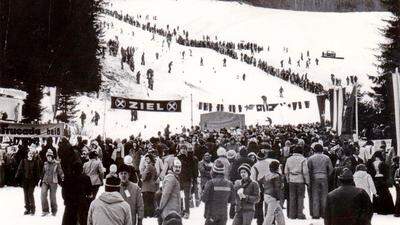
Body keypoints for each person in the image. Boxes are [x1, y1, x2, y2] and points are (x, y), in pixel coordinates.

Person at [202, 159, 234, 225]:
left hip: (211, 214)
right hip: (223, 215)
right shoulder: (230, 184)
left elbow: (204, 199)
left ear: (214, 171)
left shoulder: (210, 183)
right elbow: (232, 200)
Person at [307, 143, 333, 219]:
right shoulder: (327, 158)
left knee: (315, 195)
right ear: (322, 150)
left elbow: (308, 169)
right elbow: (331, 169)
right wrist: (327, 175)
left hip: (314, 178)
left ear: (314, 150)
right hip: (324, 177)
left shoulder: (311, 158)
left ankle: (316, 214)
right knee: (324, 196)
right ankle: (324, 213)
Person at [284, 146, 309, 219]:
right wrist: (307, 181)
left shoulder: (289, 159)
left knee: (292, 197)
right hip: (300, 179)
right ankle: (300, 214)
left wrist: (288, 179)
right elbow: (305, 172)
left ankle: (292, 214)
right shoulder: (303, 159)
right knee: (300, 197)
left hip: (292, 179)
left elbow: (286, 171)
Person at [156, 159, 182, 224]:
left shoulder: (174, 177)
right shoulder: (171, 178)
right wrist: (160, 208)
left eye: (179, 167)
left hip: (174, 212)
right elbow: (165, 194)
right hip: (170, 212)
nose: (178, 169)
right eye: (176, 167)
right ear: (172, 167)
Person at [15, 149, 41, 215]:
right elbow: (19, 169)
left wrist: (37, 180)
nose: (30, 155)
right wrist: (16, 177)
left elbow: (37, 172)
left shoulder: (35, 162)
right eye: (29, 153)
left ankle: (33, 209)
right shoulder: (23, 161)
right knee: (26, 195)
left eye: (32, 154)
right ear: (27, 154)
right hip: (25, 180)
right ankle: (27, 208)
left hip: (32, 181)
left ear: (33, 155)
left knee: (30, 194)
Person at [41, 149, 64, 216]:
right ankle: (45, 210)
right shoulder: (45, 164)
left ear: (52, 156)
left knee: (52, 197)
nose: (49, 158)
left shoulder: (57, 163)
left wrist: (62, 177)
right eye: (47, 157)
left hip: (53, 182)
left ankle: (54, 210)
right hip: (45, 181)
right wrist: (40, 179)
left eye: (50, 156)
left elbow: (60, 171)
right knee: (43, 195)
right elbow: (43, 173)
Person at [262, 161, 285, 225]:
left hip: (266, 195)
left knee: (279, 212)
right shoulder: (277, 176)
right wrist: (278, 198)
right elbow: (277, 188)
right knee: (270, 215)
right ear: (277, 168)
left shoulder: (266, 175)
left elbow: (262, 184)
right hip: (273, 197)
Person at [141, 154, 157, 218]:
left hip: (146, 186)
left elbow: (144, 176)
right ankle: (151, 214)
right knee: (151, 201)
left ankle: (146, 214)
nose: (146, 160)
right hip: (152, 186)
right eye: (146, 159)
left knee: (145, 201)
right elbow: (156, 175)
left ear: (150, 159)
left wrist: (142, 176)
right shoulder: (153, 166)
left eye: (147, 159)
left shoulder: (148, 166)